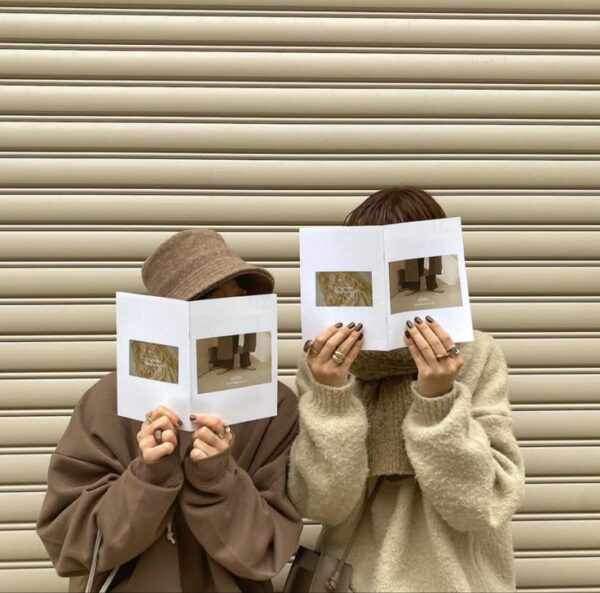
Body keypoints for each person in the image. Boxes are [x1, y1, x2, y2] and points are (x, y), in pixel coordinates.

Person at [287, 186, 526, 592]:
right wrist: (331, 397)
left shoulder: (476, 355)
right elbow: (322, 505)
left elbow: (483, 504)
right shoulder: (325, 364)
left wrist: (439, 400)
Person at [36, 229, 303, 592]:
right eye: (210, 302)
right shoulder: (108, 401)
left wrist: (218, 478)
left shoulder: (275, 406)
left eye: (239, 297)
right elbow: (69, 543)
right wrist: (147, 476)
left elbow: (267, 550)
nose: (229, 313)